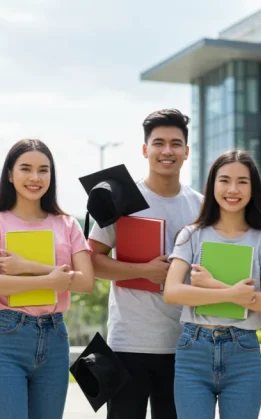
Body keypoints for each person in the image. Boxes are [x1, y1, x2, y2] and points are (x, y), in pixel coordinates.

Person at [87, 109, 202, 419]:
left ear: (187, 152)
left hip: (183, 346)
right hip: (128, 344)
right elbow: (91, 261)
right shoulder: (120, 199)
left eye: (176, 144)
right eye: (159, 143)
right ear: (145, 149)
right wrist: (144, 271)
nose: (167, 151)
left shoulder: (201, 206)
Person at [0, 138, 95, 419]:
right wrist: (50, 279)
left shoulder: (66, 224)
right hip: (8, 337)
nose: (35, 178)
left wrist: (32, 268)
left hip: (55, 336)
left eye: (43, 170)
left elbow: (86, 282)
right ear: (10, 175)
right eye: (26, 169)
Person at [163, 149, 261, 419]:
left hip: (242, 351)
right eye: (225, 180)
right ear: (212, 185)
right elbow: (172, 292)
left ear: (253, 188)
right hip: (193, 349)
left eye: (242, 181)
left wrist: (211, 285)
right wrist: (233, 293)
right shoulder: (191, 235)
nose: (233, 189)